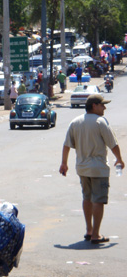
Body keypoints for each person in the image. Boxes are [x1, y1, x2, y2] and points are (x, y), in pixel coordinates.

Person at [59, 94, 124, 244]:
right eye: (102, 105)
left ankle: (88, 230)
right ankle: (95, 234)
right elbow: (113, 144)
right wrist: (119, 159)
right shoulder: (100, 122)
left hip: (82, 168)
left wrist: (64, 163)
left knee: (87, 198)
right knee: (98, 200)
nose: (104, 108)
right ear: (94, 105)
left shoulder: (75, 122)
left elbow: (66, 145)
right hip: (98, 169)